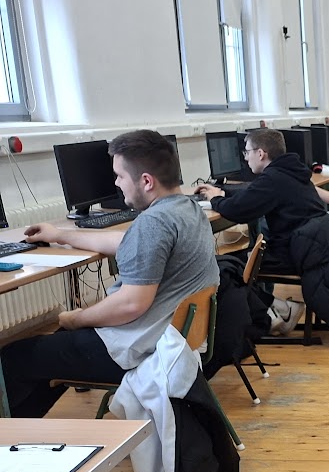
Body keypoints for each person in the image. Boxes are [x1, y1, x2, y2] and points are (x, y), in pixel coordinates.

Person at [0, 130, 219, 417]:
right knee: (48, 352)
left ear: (146, 181)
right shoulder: (187, 209)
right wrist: (61, 235)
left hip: (140, 350)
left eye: (120, 176)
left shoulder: (154, 223)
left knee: (14, 358)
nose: (116, 183)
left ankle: (12, 434)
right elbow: (128, 242)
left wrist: (77, 318)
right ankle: (22, 431)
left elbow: (131, 304)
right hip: (174, 340)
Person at [196, 128, 325, 333]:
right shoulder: (290, 171)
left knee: (225, 267)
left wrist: (215, 199)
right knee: (233, 263)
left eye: (247, 152)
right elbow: (252, 194)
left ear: (261, 153)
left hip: (291, 253)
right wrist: (223, 192)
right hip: (306, 248)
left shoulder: (273, 179)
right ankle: (278, 310)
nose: (245, 157)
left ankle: (269, 314)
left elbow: (237, 211)